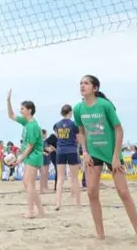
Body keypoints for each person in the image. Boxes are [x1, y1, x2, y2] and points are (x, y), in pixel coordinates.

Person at [74, 75, 137, 243]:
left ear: (95, 88)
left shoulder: (105, 105)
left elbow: (119, 130)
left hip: (112, 153)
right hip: (93, 153)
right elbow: (81, 132)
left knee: (123, 192)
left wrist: (115, 157)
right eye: (81, 83)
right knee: (91, 192)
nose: (82, 86)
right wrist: (84, 152)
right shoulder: (78, 108)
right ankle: (100, 234)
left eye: (86, 83)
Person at [6, 89, 45, 218]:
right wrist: (8, 101)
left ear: (29, 110)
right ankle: (40, 211)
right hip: (29, 156)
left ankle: (31, 211)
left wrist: (19, 159)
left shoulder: (33, 125)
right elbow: (11, 116)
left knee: (28, 183)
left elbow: (30, 147)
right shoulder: (26, 122)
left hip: (33, 157)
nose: (21, 111)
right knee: (29, 184)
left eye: (22, 109)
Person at [53, 104, 81, 210]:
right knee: (74, 178)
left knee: (60, 178)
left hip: (60, 151)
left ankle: (58, 203)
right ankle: (77, 203)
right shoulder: (74, 124)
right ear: (70, 112)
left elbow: (57, 136)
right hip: (72, 150)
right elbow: (78, 138)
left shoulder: (57, 125)